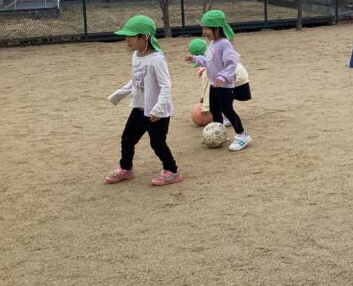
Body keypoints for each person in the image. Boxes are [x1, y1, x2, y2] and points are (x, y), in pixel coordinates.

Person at [106, 15, 182, 185]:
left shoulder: (157, 59)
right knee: (127, 138)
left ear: (145, 37)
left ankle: (172, 171)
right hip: (139, 108)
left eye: (131, 36)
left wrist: (159, 108)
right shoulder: (136, 56)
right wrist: (119, 94)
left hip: (156, 112)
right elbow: (136, 80)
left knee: (157, 143)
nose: (127, 40)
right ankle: (126, 169)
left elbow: (166, 86)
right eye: (126, 36)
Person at [186, 10, 252, 151]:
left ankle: (242, 135)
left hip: (225, 86)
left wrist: (222, 77)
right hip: (213, 85)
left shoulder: (224, 44)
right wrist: (196, 59)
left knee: (227, 110)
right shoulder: (213, 44)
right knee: (215, 111)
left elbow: (231, 63)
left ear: (217, 28)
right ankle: (219, 132)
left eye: (206, 28)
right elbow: (208, 60)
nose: (204, 32)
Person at [188, 38, 251, 127]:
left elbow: (208, 88)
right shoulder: (213, 53)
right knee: (219, 97)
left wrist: (205, 106)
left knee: (219, 97)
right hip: (239, 75)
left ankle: (231, 123)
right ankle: (226, 117)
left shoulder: (207, 70)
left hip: (235, 77)